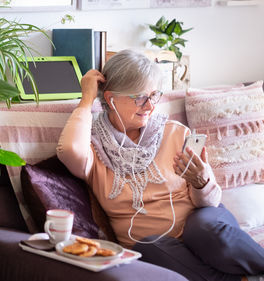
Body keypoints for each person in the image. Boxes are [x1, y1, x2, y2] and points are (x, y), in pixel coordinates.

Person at [56, 49, 264, 281]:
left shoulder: (175, 133)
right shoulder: (94, 148)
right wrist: (87, 99)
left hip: (204, 227)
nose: (149, 106)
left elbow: (212, 202)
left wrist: (201, 183)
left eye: (154, 95)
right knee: (148, 246)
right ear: (110, 98)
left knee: (199, 227)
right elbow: (68, 150)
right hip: (157, 246)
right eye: (140, 97)